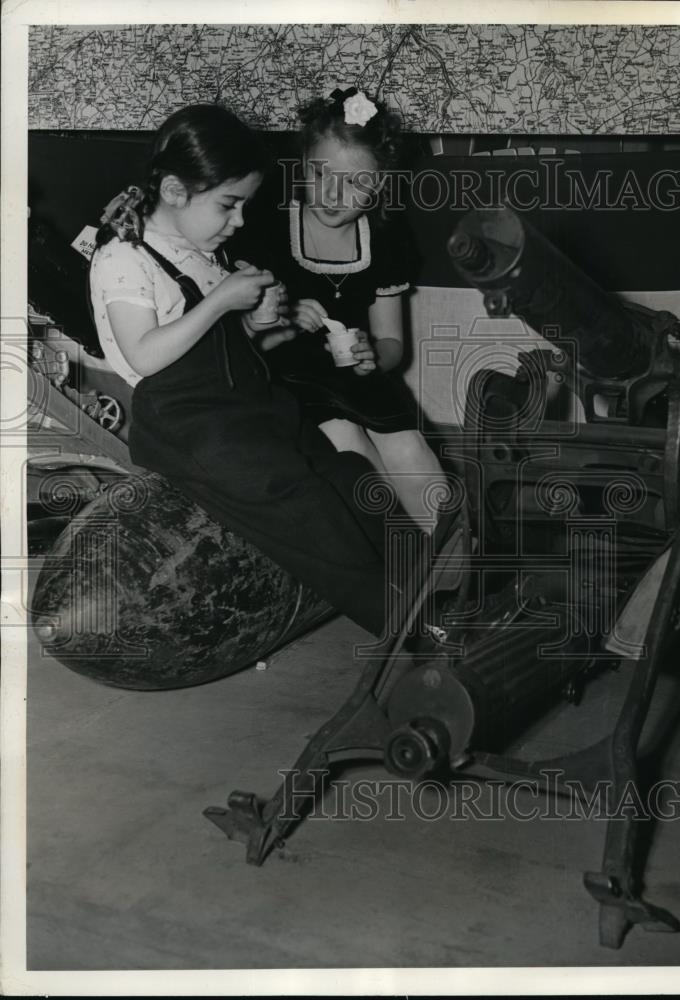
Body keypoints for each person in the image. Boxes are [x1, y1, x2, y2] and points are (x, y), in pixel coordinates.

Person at [88, 103, 401, 638]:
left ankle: (432, 581)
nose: (238, 222)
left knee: (347, 473)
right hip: (189, 426)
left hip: (246, 406)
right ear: (174, 192)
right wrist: (220, 301)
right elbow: (143, 354)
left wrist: (257, 321)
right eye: (229, 206)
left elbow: (228, 350)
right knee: (303, 501)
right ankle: (401, 618)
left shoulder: (201, 250)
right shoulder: (126, 255)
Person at [233, 87, 448, 533]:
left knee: (411, 451)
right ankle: (399, 559)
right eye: (319, 173)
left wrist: (376, 354)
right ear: (302, 164)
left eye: (355, 183)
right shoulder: (267, 230)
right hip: (291, 385)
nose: (333, 193)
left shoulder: (385, 241)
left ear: (380, 185)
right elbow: (239, 335)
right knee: (352, 451)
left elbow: (392, 344)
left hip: (361, 383)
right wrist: (284, 317)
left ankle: (456, 563)